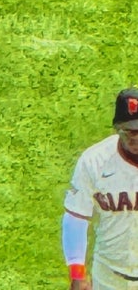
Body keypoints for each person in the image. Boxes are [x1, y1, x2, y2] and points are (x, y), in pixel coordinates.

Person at [63, 88, 138, 289]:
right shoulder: (94, 161)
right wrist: (77, 274)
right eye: (129, 131)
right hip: (108, 278)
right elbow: (76, 218)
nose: (136, 138)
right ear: (117, 128)